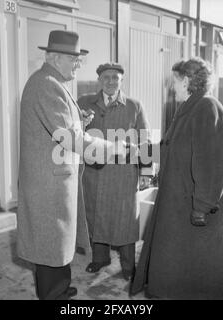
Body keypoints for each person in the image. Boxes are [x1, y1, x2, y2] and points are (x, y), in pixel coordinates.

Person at [17, 30, 127, 300]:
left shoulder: (50, 81)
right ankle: (54, 295)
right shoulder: (46, 84)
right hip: (48, 185)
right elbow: (67, 137)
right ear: (55, 58)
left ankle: (61, 288)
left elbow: (61, 127)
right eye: (73, 59)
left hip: (54, 179)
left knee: (58, 243)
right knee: (49, 245)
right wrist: (111, 148)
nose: (78, 64)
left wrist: (80, 121)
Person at [131, 57, 223, 300]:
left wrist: (201, 207)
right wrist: (133, 151)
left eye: (175, 81)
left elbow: (214, 164)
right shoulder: (189, 108)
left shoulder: (207, 107)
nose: (172, 87)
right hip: (179, 205)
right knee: (175, 275)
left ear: (187, 81)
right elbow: (169, 149)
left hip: (195, 211)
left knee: (191, 277)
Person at [77, 63, 153, 281]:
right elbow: (73, 132)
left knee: (125, 220)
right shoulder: (84, 102)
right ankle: (100, 259)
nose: (110, 81)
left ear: (122, 80)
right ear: (99, 80)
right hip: (94, 173)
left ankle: (128, 265)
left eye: (115, 78)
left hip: (123, 174)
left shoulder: (134, 106)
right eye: (106, 77)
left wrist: (146, 172)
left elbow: (146, 140)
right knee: (96, 216)